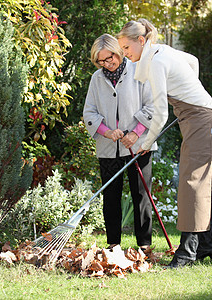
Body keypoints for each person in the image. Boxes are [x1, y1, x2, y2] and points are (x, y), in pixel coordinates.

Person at [117, 19, 212, 268]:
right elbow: (193, 62)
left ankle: (187, 253)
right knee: (200, 181)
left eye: (126, 47)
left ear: (141, 41)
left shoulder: (155, 62)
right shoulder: (163, 50)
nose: (125, 53)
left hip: (200, 117)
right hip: (200, 114)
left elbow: (160, 114)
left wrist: (147, 141)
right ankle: (204, 247)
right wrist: (189, 94)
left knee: (192, 182)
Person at [83, 34, 157, 251]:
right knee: (111, 197)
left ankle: (144, 245)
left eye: (110, 58)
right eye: (101, 61)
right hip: (108, 148)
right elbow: (89, 112)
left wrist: (135, 133)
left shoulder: (139, 72)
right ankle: (113, 244)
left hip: (139, 145)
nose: (107, 64)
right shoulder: (97, 79)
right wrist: (106, 132)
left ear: (118, 52)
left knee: (141, 195)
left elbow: (151, 106)